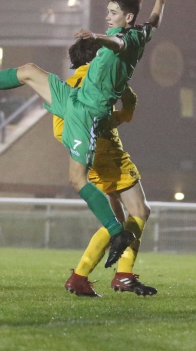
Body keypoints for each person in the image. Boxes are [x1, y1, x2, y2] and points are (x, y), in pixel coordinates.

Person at [0, 0, 175, 267]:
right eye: (108, 11)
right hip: (74, 99)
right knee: (29, 71)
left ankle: (116, 233)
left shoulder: (127, 40)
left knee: (76, 179)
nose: (107, 16)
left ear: (127, 18)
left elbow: (117, 41)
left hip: (85, 114)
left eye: (112, 12)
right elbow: (154, 23)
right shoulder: (142, 32)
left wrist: (97, 36)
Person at [58, 38, 156, 297]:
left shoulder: (66, 87)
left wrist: (83, 146)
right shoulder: (102, 79)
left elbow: (60, 131)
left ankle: (79, 276)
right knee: (140, 211)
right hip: (110, 156)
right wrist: (114, 119)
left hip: (88, 160)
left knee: (115, 222)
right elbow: (129, 102)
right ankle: (124, 275)